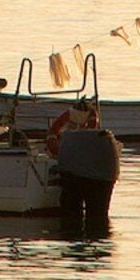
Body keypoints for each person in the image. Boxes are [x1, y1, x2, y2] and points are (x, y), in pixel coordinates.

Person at [46, 99, 121, 233]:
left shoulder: (72, 142)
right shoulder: (100, 141)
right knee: (98, 217)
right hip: (104, 174)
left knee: (71, 217)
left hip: (76, 173)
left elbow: (54, 132)